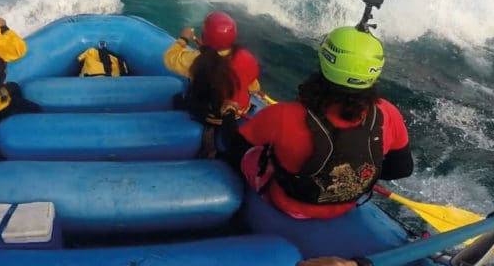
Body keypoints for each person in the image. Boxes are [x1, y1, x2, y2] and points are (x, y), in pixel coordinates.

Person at [228, 23, 413, 220]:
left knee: (251, 154)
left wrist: (228, 119)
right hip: (346, 205)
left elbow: (233, 147)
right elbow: (402, 169)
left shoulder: (282, 115)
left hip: (290, 203)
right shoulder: (388, 113)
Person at [164, 11, 262, 156]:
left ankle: (206, 140)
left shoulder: (198, 60)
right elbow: (254, 87)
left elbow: (169, 59)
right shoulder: (247, 57)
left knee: (179, 97)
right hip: (240, 111)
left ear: (205, 36)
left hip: (212, 115)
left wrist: (183, 39)